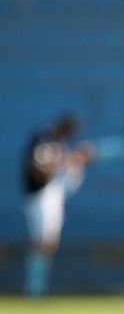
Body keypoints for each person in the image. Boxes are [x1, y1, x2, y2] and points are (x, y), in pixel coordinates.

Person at [21, 114, 95, 298]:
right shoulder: (44, 138)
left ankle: (37, 286)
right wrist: (66, 161)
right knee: (41, 242)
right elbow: (38, 170)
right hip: (39, 196)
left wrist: (76, 161)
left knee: (48, 244)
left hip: (50, 197)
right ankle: (34, 288)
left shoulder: (58, 143)